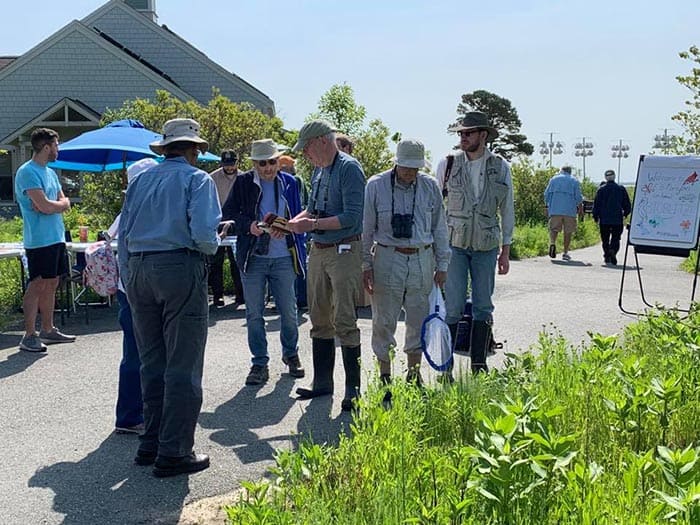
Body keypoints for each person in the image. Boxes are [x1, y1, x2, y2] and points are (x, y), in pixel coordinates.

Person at [118, 118, 220, 477]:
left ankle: (152, 441)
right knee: (183, 364)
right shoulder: (197, 179)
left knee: (152, 362)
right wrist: (213, 241)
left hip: (139, 269)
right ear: (193, 150)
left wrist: (129, 276)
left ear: (165, 149)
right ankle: (174, 450)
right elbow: (205, 236)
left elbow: (123, 235)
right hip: (179, 267)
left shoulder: (142, 180)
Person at [287, 119, 365, 411]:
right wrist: (292, 223)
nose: (305, 155)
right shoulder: (319, 170)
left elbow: (351, 218)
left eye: (306, 148)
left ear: (322, 141)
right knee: (318, 316)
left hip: (344, 250)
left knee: (344, 318)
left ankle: (353, 389)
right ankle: (323, 382)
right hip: (318, 250)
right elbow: (312, 208)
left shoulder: (349, 168)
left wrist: (312, 223)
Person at [362, 139, 450, 387]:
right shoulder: (376, 185)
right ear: (396, 163)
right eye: (406, 167)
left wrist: (442, 264)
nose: (411, 172)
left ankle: (414, 374)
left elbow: (440, 228)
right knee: (383, 320)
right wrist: (365, 265)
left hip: (422, 257)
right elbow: (366, 229)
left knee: (418, 318)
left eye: (416, 168)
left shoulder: (430, 186)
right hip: (387, 257)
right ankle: (385, 376)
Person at [221, 139, 307, 386]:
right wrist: (248, 226)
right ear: (254, 164)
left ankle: (291, 354)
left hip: (283, 255)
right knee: (254, 313)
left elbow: (300, 215)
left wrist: (287, 227)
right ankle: (259, 362)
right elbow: (228, 215)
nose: (269, 167)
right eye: (263, 163)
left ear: (279, 161)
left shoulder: (291, 182)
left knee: (289, 312)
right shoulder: (243, 182)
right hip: (254, 256)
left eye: (272, 162)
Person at [435, 111, 514, 375]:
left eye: (468, 133)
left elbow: (508, 209)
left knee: (483, 305)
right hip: (454, 245)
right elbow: (435, 210)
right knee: (454, 306)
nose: (463, 137)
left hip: (487, 245)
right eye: (460, 133)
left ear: (483, 135)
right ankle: (446, 369)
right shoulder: (447, 164)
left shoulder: (501, 166)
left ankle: (479, 366)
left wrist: (506, 250)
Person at [107, 157, 158, 435]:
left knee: (136, 354)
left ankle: (135, 414)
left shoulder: (127, 210)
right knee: (138, 355)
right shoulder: (137, 211)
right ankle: (130, 416)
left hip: (130, 290)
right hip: (136, 292)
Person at [14, 128, 76, 352]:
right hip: (39, 239)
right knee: (37, 283)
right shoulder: (27, 172)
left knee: (52, 282)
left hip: (56, 236)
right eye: (56, 145)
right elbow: (45, 205)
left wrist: (56, 205)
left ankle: (48, 330)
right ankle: (29, 335)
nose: (58, 149)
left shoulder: (50, 172)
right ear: (46, 147)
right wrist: (54, 206)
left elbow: (59, 202)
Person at [208, 150, 245, 308]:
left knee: (237, 260)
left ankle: (241, 294)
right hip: (218, 221)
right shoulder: (212, 178)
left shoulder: (244, 177)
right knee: (216, 261)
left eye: (232, 164)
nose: (229, 168)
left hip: (237, 221)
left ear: (237, 162)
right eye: (226, 165)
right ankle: (218, 296)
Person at [277, 154, 309, 309]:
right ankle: (301, 300)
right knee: (299, 262)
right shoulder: (298, 180)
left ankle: (300, 299)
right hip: (298, 226)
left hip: (293, 226)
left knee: (296, 263)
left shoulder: (294, 181)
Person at [592, 169, 631, 265]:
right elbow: (627, 204)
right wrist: (625, 213)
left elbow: (596, 204)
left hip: (604, 219)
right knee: (616, 238)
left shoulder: (601, 189)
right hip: (617, 219)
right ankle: (613, 250)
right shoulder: (621, 189)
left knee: (605, 239)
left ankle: (607, 254)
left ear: (605, 177)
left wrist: (595, 216)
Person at [544, 165, 583, 261]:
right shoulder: (574, 181)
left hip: (555, 209)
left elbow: (546, 194)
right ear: (570, 172)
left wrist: (548, 205)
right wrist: (580, 208)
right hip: (569, 211)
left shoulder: (553, 179)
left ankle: (552, 243)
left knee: (553, 229)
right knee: (568, 232)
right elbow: (578, 197)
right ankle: (565, 252)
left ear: (561, 171)